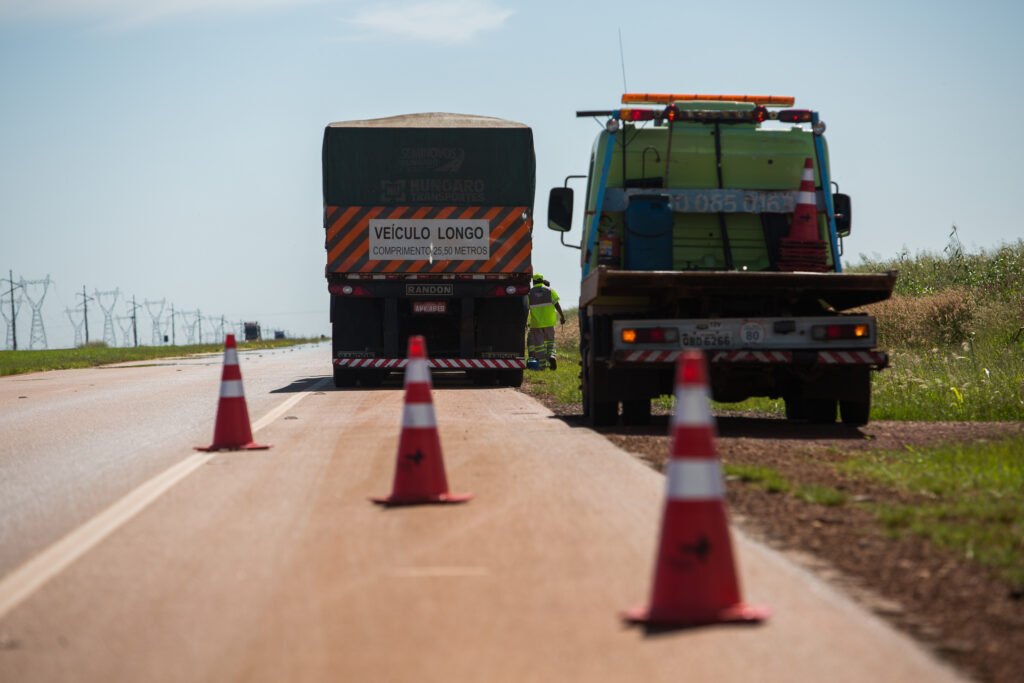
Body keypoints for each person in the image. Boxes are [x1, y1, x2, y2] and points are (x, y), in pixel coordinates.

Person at [527, 273, 565, 370]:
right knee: (550, 342)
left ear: (534, 281)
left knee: (539, 345)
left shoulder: (530, 293)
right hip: (549, 322)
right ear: (542, 280)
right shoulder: (549, 291)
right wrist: (562, 316)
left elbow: (526, 308)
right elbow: (557, 304)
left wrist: (525, 322)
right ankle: (552, 356)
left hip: (536, 324)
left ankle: (542, 366)